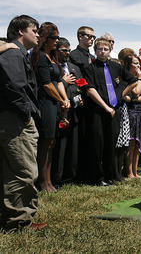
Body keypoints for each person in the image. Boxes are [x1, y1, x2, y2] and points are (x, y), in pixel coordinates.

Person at [0, 15, 47, 231]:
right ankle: (20, 221)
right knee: (24, 171)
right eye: (34, 30)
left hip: (14, 117)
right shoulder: (13, 53)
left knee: (14, 170)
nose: (38, 34)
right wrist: (26, 113)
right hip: (16, 120)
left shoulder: (16, 53)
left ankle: (13, 218)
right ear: (21, 31)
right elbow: (14, 85)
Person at [83, 38, 137, 185]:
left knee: (111, 143)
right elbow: (90, 89)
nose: (102, 52)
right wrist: (105, 107)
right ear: (95, 51)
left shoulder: (116, 67)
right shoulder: (90, 68)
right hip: (98, 110)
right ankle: (97, 177)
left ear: (110, 50)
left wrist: (121, 94)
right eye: (99, 49)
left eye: (105, 49)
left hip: (115, 110)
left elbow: (133, 80)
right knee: (97, 143)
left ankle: (109, 175)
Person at [30, 22, 71, 192]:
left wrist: (65, 99)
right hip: (45, 102)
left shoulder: (52, 57)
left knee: (52, 142)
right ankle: (42, 182)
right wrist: (61, 100)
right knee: (45, 141)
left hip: (55, 102)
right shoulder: (39, 56)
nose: (57, 40)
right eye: (53, 37)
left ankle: (48, 180)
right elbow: (46, 84)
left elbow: (59, 81)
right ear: (45, 38)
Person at [52, 37, 84, 186]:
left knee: (73, 145)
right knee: (60, 146)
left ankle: (70, 177)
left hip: (75, 111)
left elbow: (80, 86)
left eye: (68, 50)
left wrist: (80, 98)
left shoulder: (74, 68)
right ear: (56, 50)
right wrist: (64, 82)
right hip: (59, 111)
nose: (67, 53)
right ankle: (56, 178)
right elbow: (51, 86)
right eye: (64, 50)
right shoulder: (53, 67)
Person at [123, 54, 141, 178]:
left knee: (138, 143)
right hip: (130, 113)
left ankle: (135, 171)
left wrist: (135, 99)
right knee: (131, 144)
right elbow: (136, 93)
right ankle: (129, 172)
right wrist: (138, 79)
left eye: (139, 63)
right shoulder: (128, 79)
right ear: (128, 65)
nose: (138, 66)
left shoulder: (140, 79)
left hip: (140, 112)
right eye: (135, 63)